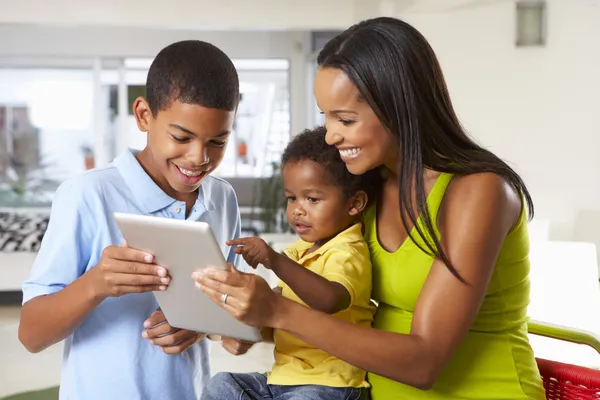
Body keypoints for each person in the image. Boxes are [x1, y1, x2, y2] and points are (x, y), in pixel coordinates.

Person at [193, 17, 547, 400]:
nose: (331, 135)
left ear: (398, 107)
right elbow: (336, 310)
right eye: (326, 117)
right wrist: (244, 320)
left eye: (345, 119)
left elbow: (424, 361)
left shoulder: (478, 192)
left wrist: (277, 311)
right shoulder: (367, 189)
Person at [19, 40, 244, 400]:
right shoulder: (87, 195)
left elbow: (227, 310)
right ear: (143, 115)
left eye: (218, 141)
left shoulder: (222, 198)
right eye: (181, 137)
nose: (198, 158)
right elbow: (31, 335)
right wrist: (95, 284)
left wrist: (201, 326)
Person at [201, 127, 379, 400]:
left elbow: (331, 299)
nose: (297, 209)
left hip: (331, 385)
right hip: (281, 381)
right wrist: (246, 329)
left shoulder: (348, 250)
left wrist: (274, 260)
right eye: (292, 197)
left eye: (312, 199)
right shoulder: (299, 252)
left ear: (355, 203)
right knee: (221, 385)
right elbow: (278, 315)